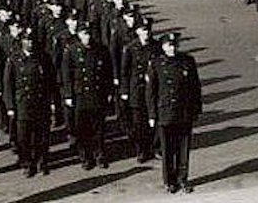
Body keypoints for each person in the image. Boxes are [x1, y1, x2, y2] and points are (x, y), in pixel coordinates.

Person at [147, 32, 203, 193]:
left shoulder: (187, 61)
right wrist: (152, 114)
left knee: (183, 149)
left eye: (174, 45)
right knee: (168, 149)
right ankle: (169, 180)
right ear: (163, 47)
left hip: (184, 111)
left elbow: (195, 87)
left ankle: (182, 178)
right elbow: (151, 92)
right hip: (165, 112)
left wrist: (196, 108)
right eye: (168, 45)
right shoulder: (157, 64)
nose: (172, 48)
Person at [63, 24, 113, 170]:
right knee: (82, 129)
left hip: (97, 94)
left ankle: (100, 155)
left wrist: (109, 92)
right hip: (80, 96)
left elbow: (107, 73)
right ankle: (86, 157)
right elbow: (67, 75)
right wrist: (68, 95)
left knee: (99, 128)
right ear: (79, 35)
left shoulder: (101, 50)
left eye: (89, 34)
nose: (87, 37)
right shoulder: (72, 51)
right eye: (84, 34)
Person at [3, 35, 51, 178]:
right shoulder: (14, 60)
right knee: (23, 137)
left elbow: (50, 80)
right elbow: (8, 84)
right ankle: (27, 164)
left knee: (41, 136)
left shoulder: (42, 58)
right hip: (22, 103)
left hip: (40, 102)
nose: (29, 43)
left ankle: (42, 162)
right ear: (22, 43)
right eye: (26, 41)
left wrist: (52, 101)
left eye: (31, 40)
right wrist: (10, 106)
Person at [120, 17, 159, 162]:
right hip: (136, 89)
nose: (146, 33)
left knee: (153, 120)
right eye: (143, 30)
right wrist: (124, 91)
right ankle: (141, 150)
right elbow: (124, 72)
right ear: (137, 31)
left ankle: (154, 147)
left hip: (153, 90)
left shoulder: (157, 46)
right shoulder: (130, 48)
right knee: (139, 123)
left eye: (148, 29)